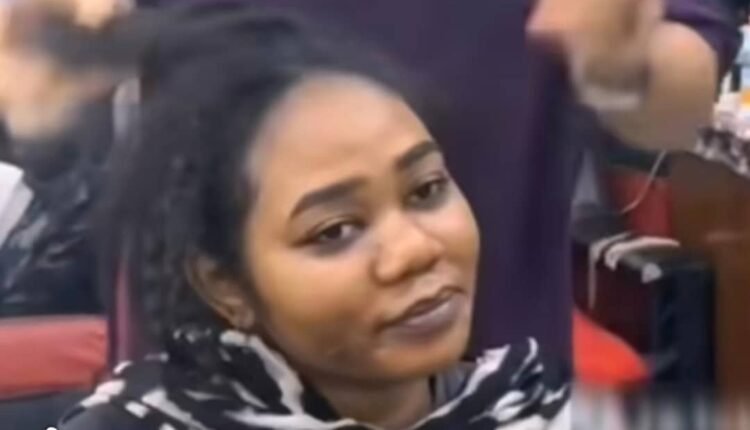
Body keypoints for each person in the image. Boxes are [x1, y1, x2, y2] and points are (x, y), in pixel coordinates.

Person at [37, 4, 568, 429]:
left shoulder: (540, 411)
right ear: (224, 286)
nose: (415, 249)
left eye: (426, 190)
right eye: (336, 231)